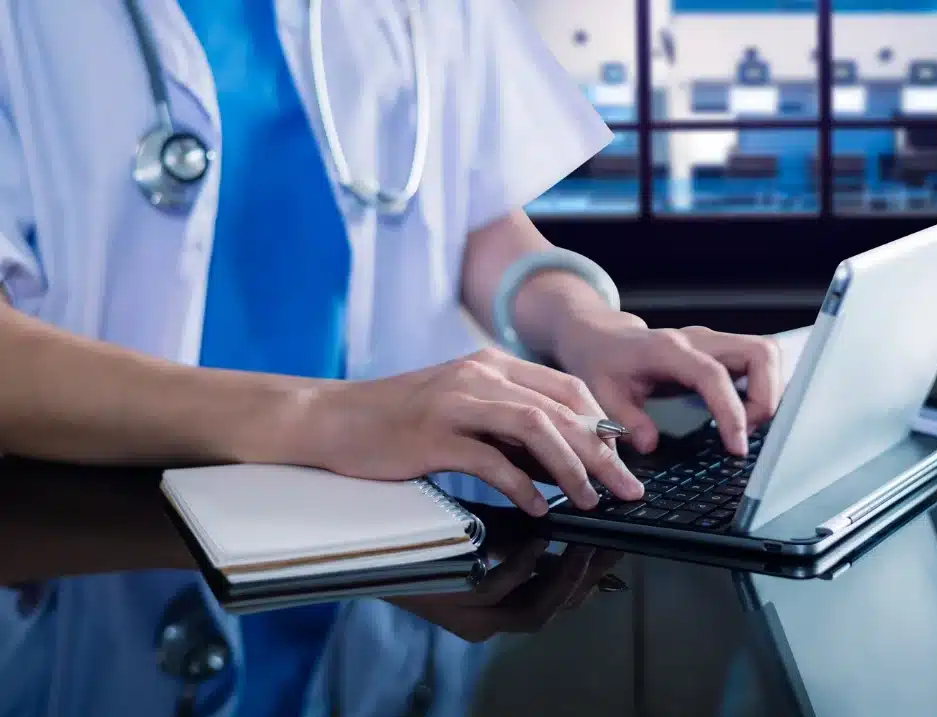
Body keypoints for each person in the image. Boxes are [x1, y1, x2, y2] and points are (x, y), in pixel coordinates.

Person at [0, 0, 782, 514]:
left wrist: (587, 329)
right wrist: (328, 417)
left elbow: (462, 213)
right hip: (104, 533)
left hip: (389, 532)